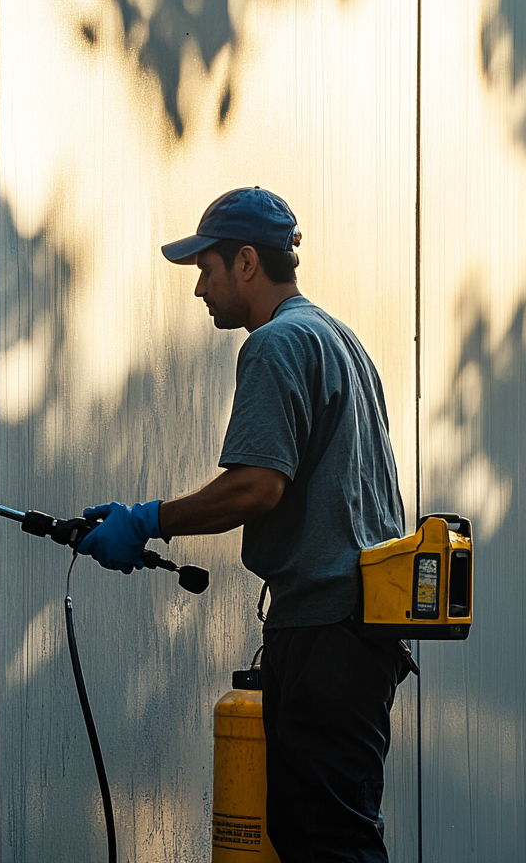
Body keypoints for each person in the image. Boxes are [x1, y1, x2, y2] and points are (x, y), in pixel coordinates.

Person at [76, 187, 410, 862]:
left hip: (326, 632)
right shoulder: (336, 338)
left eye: (207, 267)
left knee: (324, 841)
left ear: (248, 262)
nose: (200, 288)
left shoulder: (276, 345)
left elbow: (258, 486)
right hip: (357, 631)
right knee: (327, 831)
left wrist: (148, 521)